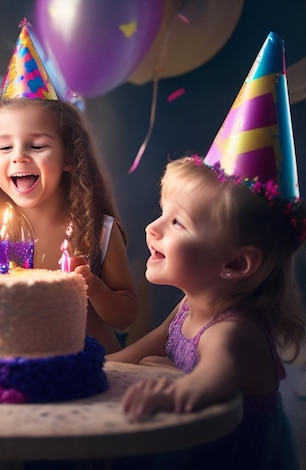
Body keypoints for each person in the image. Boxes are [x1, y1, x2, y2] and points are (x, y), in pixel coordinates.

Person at [108, 33, 303, 469]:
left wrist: (177, 389)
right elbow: (145, 346)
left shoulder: (233, 332)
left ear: (235, 264)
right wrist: (100, 367)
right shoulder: (189, 306)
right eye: (163, 214)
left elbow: (213, 379)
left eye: (177, 222)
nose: (152, 228)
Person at [0, 22, 138, 353]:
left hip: (85, 369)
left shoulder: (99, 231)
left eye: (36, 146)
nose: (18, 156)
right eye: (5, 148)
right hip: (6, 365)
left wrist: (95, 288)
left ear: (70, 157)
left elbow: (126, 315)